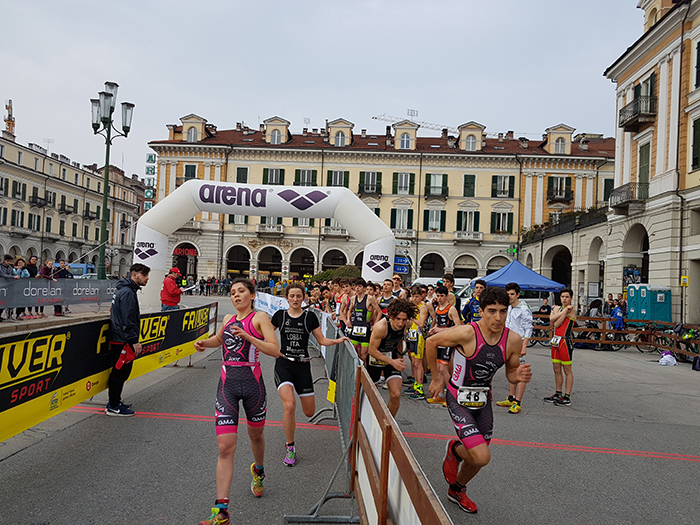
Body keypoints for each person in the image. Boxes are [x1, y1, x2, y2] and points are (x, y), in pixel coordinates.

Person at [425, 286, 532, 514]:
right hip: (457, 397)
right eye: (492, 311)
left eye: (503, 311)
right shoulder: (467, 333)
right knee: (482, 455)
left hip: (483, 401)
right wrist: (435, 379)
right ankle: (454, 449)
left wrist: (518, 375)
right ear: (481, 311)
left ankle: (457, 490)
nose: (498, 317)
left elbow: (511, 373)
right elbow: (431, 342)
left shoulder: (512, 340)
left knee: (476, 459)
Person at [194, 278, 281, 525]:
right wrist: (204, 343)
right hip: (227, 386)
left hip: (253, 385)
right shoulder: (228, 320)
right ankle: (221, 511)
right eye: (232, 292)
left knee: (256, 436)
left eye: (241, 291)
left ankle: (259, 470)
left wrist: (248, 336)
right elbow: (220, 340)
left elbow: (274, 350)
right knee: (225, 447)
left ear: (252, 295)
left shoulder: (260, 318)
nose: (236, 295)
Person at [272, 282, 348, 467]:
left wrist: (338, 340)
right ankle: (290, 446)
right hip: (284, 365)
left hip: (303, 366)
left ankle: (292, 439)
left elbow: (321, 339)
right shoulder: (279, 316)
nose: (296, 299)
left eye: (299, 296)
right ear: (287, 298)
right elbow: (263, 333)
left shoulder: (309, 318)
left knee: (309, 412)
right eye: (292, 296)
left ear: (303, 298)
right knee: (289, 406)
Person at [106, 263, 151, 416]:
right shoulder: (127, 293)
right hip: (122, 339)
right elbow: (128, 318)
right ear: (135, 275)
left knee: (120, 372)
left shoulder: (124, 290)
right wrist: (133, 340)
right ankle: (113, 405)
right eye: (144, 275)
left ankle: (115, 401)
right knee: (120, 372)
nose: (147, 278)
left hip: (120, 336)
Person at [366, 298, 416, 416]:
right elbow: (372, 350)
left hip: (392, 357)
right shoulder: (381, 327)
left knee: (396, 395)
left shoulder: (407, 324)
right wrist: (392, 361)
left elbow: (399, 339)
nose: (400, 323)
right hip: (375, 359)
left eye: (404, 320)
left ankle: (387, 423)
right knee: (371, 394)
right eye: (398, 319)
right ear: (391, 316)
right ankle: (366, 418)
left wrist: (398, 354)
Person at [496, 283, 533, 414]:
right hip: (508, 342)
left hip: (519, 343)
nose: (509, 297)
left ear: (518, 294)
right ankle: (511, 397)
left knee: (521, 372)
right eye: (508, 294)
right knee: (511, 369)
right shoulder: (508, 308)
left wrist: (524, 345)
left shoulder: (523, 309)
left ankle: (518, 402)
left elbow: (529, 328)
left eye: (512, 294)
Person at [427, 285, 462, 405]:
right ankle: (440, 394)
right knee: (438, 369)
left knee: (443, 369)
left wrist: (441, 330)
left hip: (448, 341)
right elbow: (438, 324)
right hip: (439, 341)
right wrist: (433, 330)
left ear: (447, 296)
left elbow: (458, 326)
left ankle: (453, 395)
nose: (440, 298)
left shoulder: (451, 309)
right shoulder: (437, 309)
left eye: (442, 296)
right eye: (438, 296)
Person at [545, 288, 576, 407]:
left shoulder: (571, 310)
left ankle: (567, 396)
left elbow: (556, 323)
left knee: (567, 370)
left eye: (567, 297)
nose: (564, 299)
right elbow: (551, 319)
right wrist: (562, 312)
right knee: (556, 369)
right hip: (556, 341)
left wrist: (557, 312)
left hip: (564, 341)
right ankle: (558, 393)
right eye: (563, 297)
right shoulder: (561, 309)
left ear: (571, 298)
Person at [345, 278, 382, 360]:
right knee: (353, 352)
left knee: (363, 355)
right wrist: (348, 320)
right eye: (356, 286)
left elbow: (379, 312)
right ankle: (355, 371)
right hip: (355, 327)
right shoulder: (353, 298)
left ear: (364, 289)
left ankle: (363, 371)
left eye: (360, 286)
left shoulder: (369, 298)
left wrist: (375, 325)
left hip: (365, 328)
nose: (357, 288)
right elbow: (350, 311)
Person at [404, 285, 428, 399]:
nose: (414, 299)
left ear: (421, 296)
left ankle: (420, 389)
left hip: (418, 336)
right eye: (413, 296)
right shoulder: (411, 305)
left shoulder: (422, 307)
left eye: (417, 296)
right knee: (413, 362)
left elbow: (421, 323)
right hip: (411, 335)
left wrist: (412, 316)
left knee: (418, 363)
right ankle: (415, 385)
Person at [0, 255, 20, 321]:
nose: (9, 263)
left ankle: (8, 315)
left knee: (6, 302)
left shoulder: (10, 267)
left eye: (10, 261)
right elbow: (3, 275)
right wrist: (12, 277)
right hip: (2, 287)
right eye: (8, 261)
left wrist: (16, 276)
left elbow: (13, 273)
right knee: (1, 302)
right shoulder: (0, 267)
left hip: (8, 287)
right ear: (4, 261)